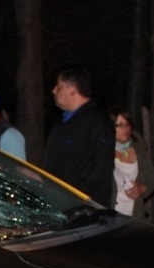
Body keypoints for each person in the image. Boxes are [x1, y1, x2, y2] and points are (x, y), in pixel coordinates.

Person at [43, 68, 115, 208]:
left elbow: (101, 170)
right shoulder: (61, 123)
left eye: (59, 86)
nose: (53, 90)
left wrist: (78, 199)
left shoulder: (97, 123)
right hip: (57, 205)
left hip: (81, 210)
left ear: (72, 90)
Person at [110, 107, 154, 218]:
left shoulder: (138, 148)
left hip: (134, 214)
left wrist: (141, 188)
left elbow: (153, 178)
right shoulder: (103, 151)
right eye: (120, 125)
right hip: (110, 215)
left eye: (127, 124)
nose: (125, 128)